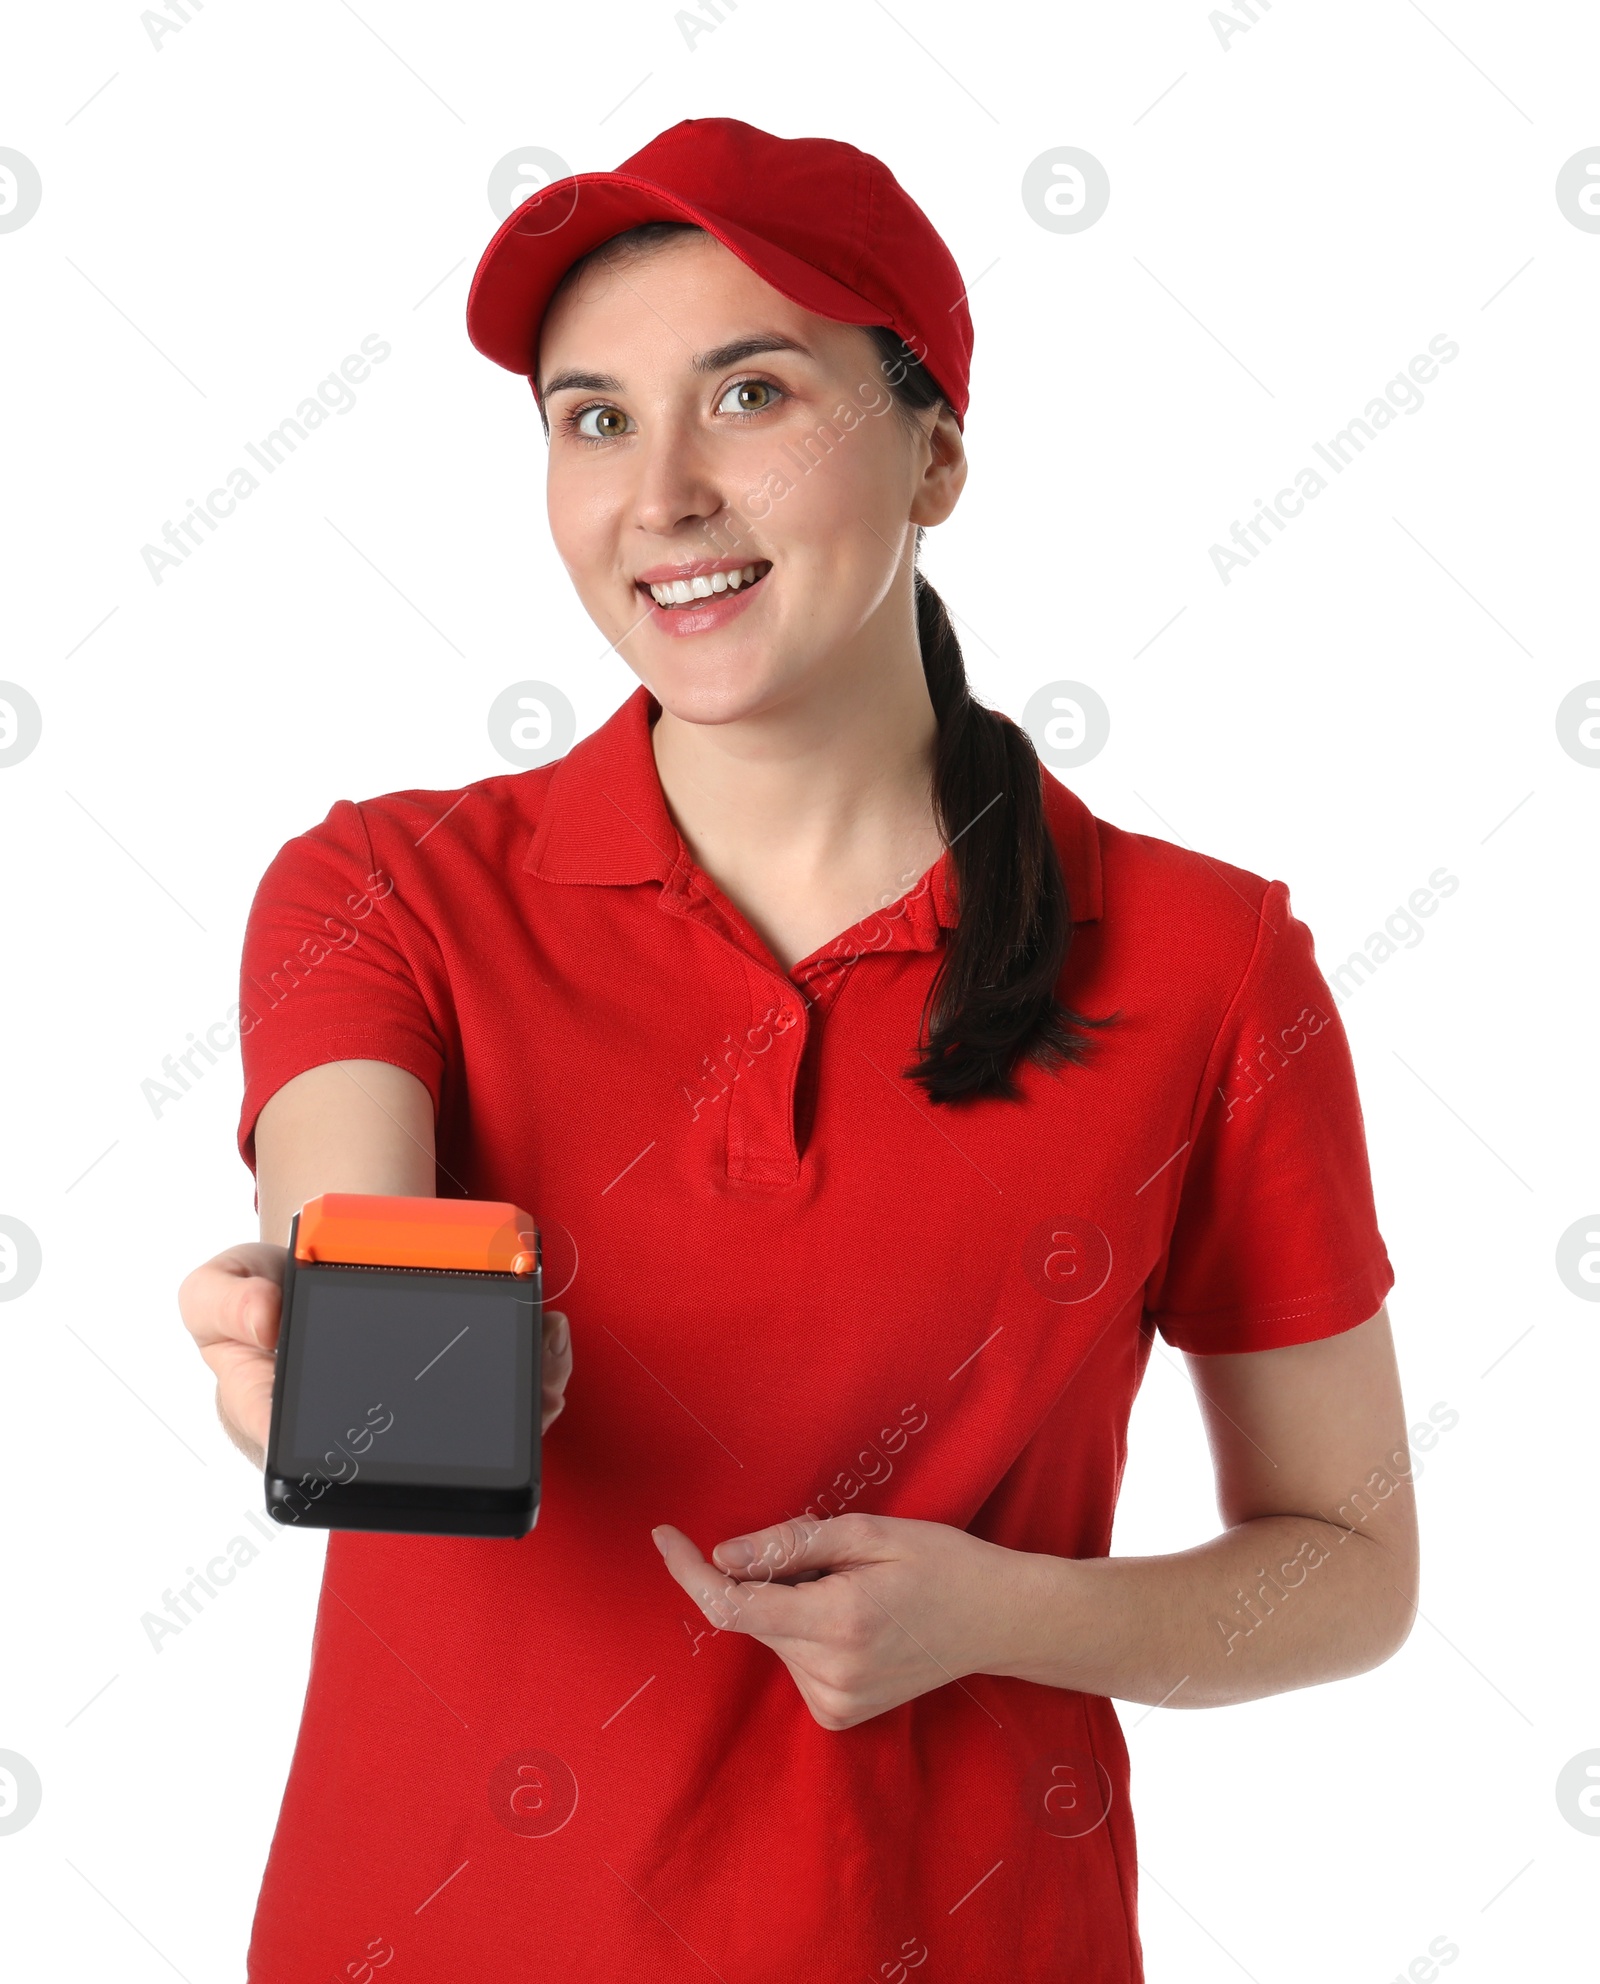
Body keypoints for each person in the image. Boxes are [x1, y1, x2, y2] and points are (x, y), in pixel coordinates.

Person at [177, 117, 1418, 1983]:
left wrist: (1008, 1617)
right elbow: (356, 1241)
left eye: (746, 395)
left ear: (935, 455)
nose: (659, 491)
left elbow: (1353, 1565)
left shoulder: (1207, 964)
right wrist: (325, 1372)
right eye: (593, 419)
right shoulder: (390, 889)